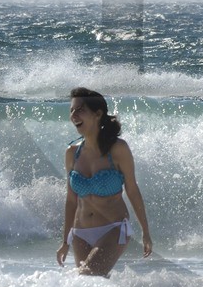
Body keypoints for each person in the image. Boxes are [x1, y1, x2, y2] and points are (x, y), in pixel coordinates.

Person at [56, 87, 152, 276]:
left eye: (80, 109)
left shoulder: (118, 149)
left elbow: (132, 190)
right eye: (72, 110)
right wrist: (65, 241)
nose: (74, 115)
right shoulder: (71, 153)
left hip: (113, 228)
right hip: (80, 232)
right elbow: (71, 200)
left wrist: (145, 232)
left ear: (98, 114)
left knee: (88, 275)